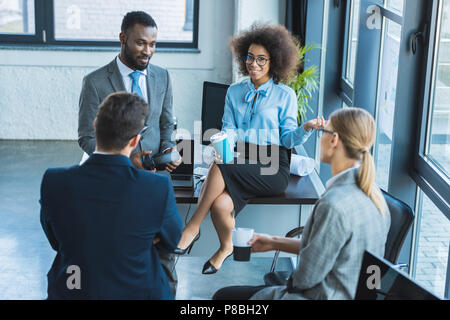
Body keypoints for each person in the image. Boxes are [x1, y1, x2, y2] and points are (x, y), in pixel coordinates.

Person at [174, 24, 325, 275]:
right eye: (250, 57)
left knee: (221, 165)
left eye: (261, 59)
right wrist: (223, 140)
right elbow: (229, 128)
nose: (253, 64)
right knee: (221, 204)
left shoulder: (285, 95)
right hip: (241, 159)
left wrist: (306, 128)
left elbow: (287, 139)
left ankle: (192, 227)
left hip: (272, 165)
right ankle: (225, 248)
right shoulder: (234, 91)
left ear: (274, 61)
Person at [213, 107, 391, 300]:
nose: (320, 138)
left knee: (224, 297)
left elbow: (304, 279)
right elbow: (328, 251)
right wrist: (274, 242)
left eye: (323, 132)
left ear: (334, 140)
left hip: (318, 296)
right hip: (345, 292)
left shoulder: (334, 204)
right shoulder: (374, 196)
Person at [40, 92, 183, 299]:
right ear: (135, 140)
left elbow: (57, 240)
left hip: (74, 290)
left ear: (96, 125)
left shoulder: (54, 181)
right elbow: (171, 241)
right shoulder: (156, 187)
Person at [77, 11, 181, 293]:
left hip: (156, 179)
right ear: (122, 39)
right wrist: (123, 158)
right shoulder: (95, 82)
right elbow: (86, 136)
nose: (148, 51)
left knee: (165, 255)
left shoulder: (162, 76)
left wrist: (169, 148)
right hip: (114, 181)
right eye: (140, 43)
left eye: (153, 44)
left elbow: (166, 122)